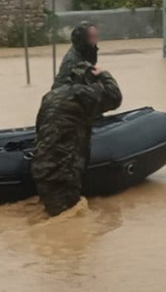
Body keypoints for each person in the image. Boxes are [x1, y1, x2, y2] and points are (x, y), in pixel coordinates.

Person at [33, 61, 122, 216]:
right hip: (63, 173)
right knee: (66, 223)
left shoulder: (49, 96)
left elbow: (39, 129)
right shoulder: (81, 94)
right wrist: (103, 74)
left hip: (41, 169)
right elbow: (115, 96)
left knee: (53, 217)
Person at [53, 21, 99, 90]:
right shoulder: (72, 59)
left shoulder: (88, 51)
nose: (94, 41)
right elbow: (61, 84)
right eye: (91, 37)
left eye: (95, 37)